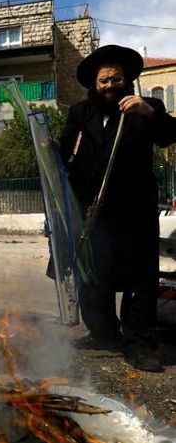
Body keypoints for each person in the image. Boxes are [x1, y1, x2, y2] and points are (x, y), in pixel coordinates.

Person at [60, 45, 176, 372]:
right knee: (94, 277)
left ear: (127, 80)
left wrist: (149, 113)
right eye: (103, 81)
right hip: (93, 211)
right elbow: (64, 150)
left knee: (140, 278)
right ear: (94, 86)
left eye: (116, 79)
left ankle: (137, 343)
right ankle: (103, 334)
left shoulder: (147, 107)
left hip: (134, 210)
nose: (110, 86)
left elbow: (170, 136)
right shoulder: (80, 113)